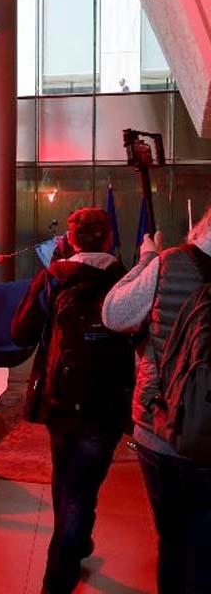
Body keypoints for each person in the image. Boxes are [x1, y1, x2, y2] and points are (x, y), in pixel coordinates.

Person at [11, 208, 134, 594]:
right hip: (109, 401)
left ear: (72, 239)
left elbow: (20, 333)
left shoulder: (54, 277)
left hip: (60, 396)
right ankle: (64, 567)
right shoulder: (129, 279)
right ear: (109, 239)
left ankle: (70, 553)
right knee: (82, 486)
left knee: (67, 476)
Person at [102, 206, 211, 593]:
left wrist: (148, 260)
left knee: (174, 543)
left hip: (159, 430)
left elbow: (114, 312)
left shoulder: (171, 264)